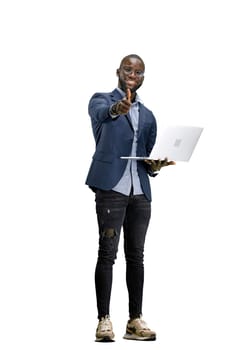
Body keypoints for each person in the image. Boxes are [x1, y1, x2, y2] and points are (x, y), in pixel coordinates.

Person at [85, 54, 175, 342]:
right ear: (118, 72)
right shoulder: (100, 100)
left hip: (140, 194)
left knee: (137, 257)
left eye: (138, 71)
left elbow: (146, 155)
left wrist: (156, 166)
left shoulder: (148, 116)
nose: (132, 74)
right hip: (111, 190)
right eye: (128, 69)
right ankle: (104, 321)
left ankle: (134, 321)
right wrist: (117, 108)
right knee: (107, 254)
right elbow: (102, 114)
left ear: (143, 78)